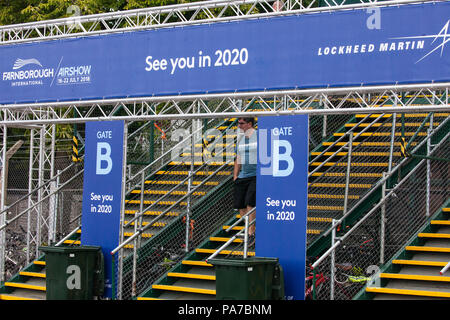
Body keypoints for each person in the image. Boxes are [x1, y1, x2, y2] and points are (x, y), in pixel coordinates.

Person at [233, 117, 257, 243]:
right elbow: (238, 158)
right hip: (243, 175)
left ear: (249, 124)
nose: (239, 126)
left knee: (250, 202)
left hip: (255, 174)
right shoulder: (241, 139)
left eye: (241, 123)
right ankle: (250, 226)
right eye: (238, 123)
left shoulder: (259, 136)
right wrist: (235, 176)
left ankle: (251, 232)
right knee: (240, 206)